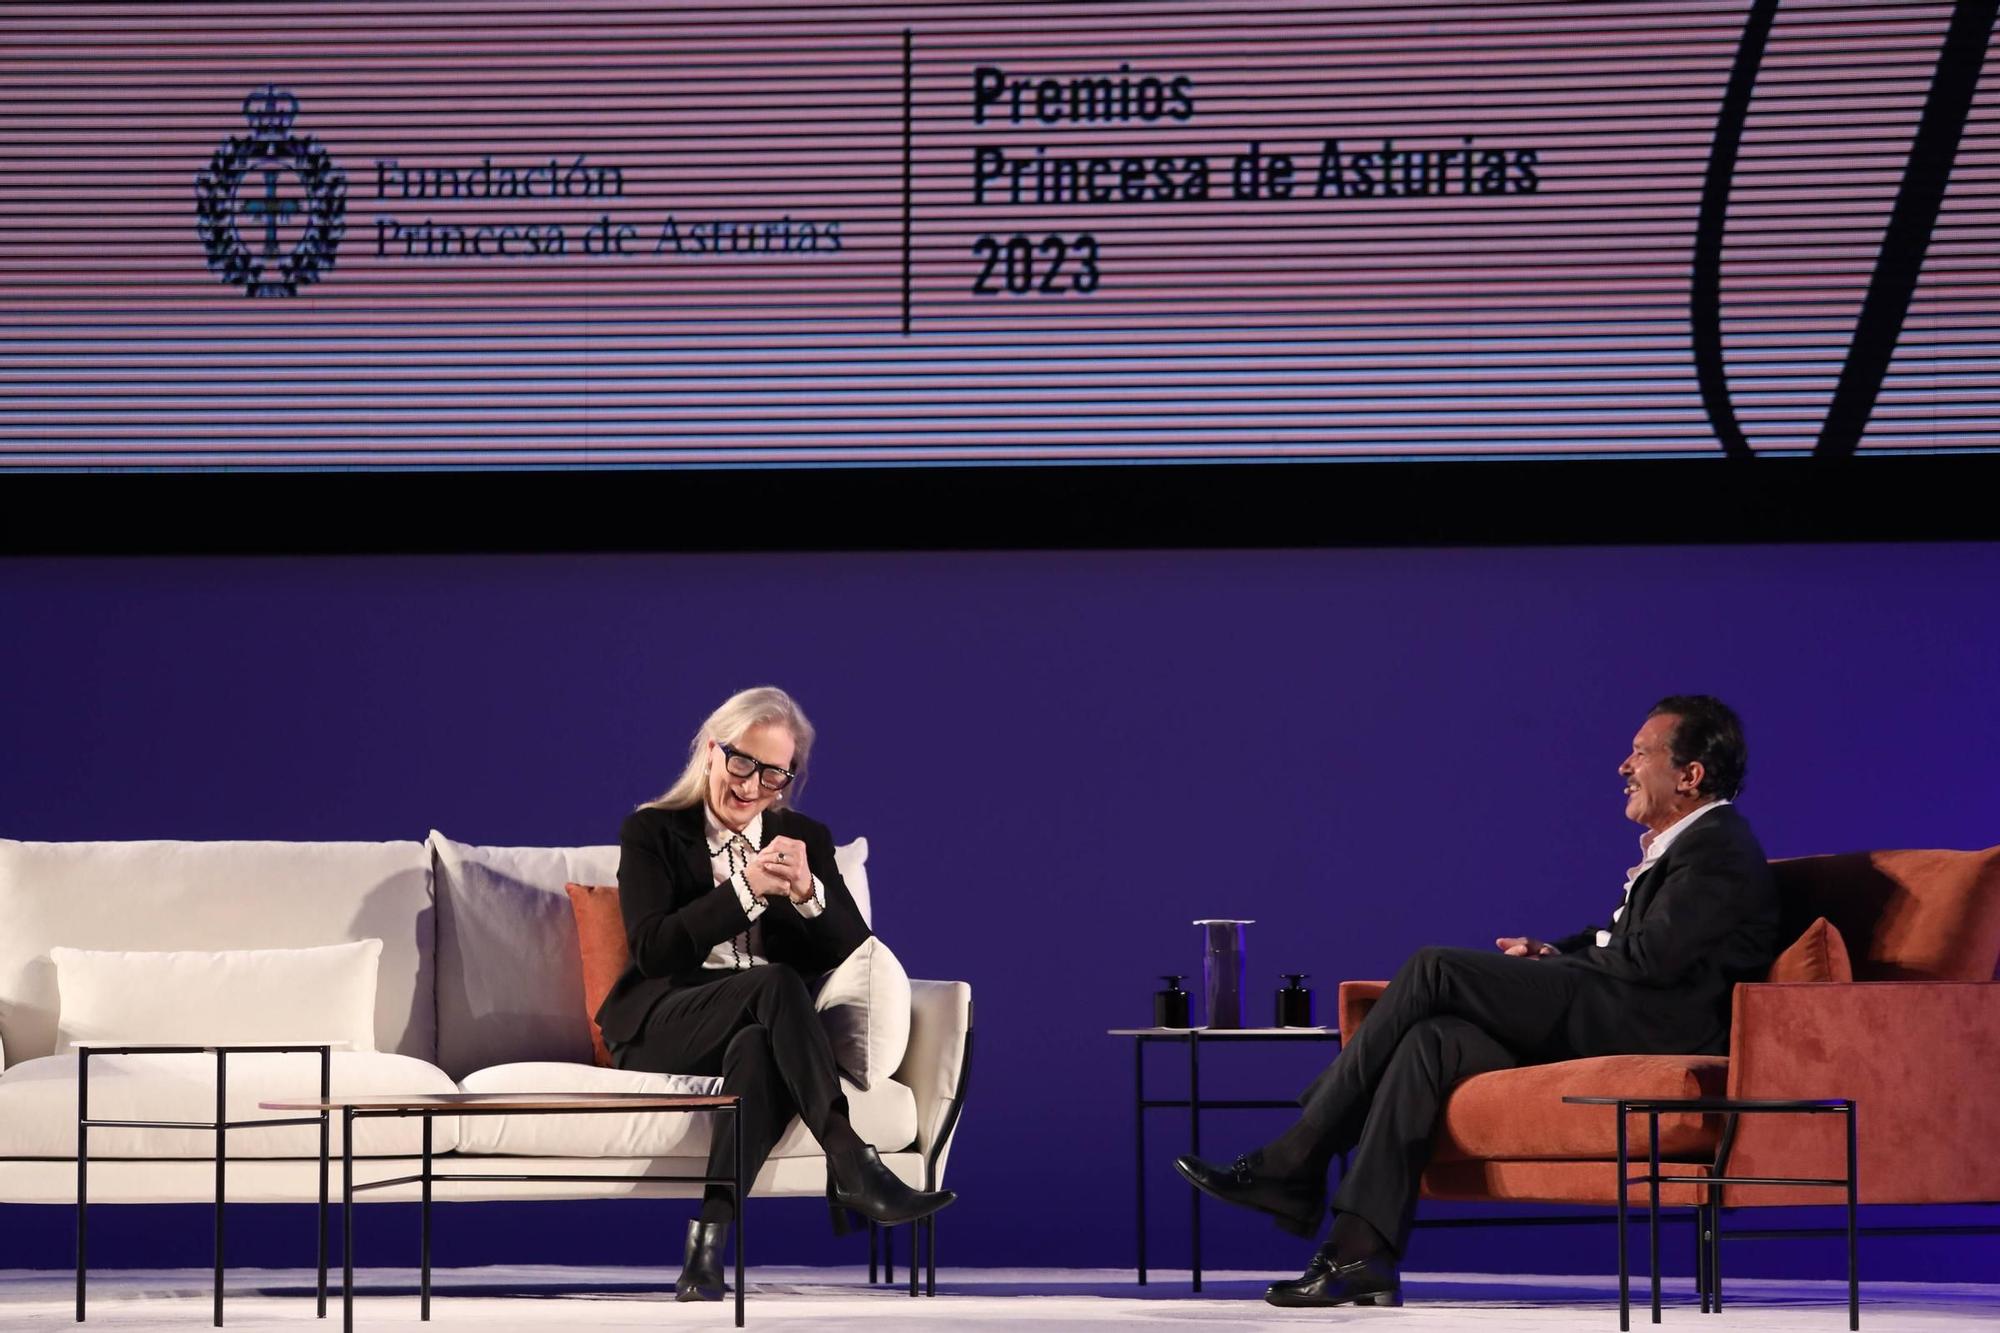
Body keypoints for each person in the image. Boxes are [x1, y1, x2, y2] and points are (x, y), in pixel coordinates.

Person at [1175, 695, 1780, 1308]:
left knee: (1433, 968)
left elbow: (1650, 960)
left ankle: (1296, 1156)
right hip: (1618, 1005)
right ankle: (1360, 1250)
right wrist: (1551, 952)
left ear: (1690, 774)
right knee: (1428, 1043)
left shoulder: (1719, 844)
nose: (1624, 766)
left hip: (1648, 1025)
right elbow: (1630, 940)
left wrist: (1563, 965)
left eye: (1641, 753)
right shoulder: (1690, 845)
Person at [596, 686, 953, 1302]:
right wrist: (743, 890)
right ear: (711, 752)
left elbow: (852, 949)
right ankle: (852, 1162)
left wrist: (809, 889)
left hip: (762, 1021)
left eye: (773, 773)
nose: (752, 786)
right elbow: (654, 950)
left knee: (762, 1046)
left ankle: (704, 1253)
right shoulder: (653, 830)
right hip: (666, 1022)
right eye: (741, 763)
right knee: (777, 984)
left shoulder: (802, 835)